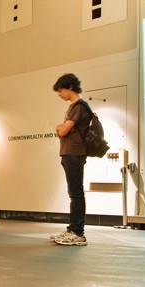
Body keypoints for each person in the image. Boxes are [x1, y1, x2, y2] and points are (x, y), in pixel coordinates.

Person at [52, 73, 91, 246]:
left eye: (61, 90)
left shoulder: (79, 106)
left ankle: (78, 232)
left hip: (74, 154)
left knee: (76, 194)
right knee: (74, 193)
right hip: (70, 153)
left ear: (69, 88)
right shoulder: (74, 107)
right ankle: (72, 229)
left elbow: (63, 131)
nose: (60, 94)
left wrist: (59, 127)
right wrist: (60, 127)